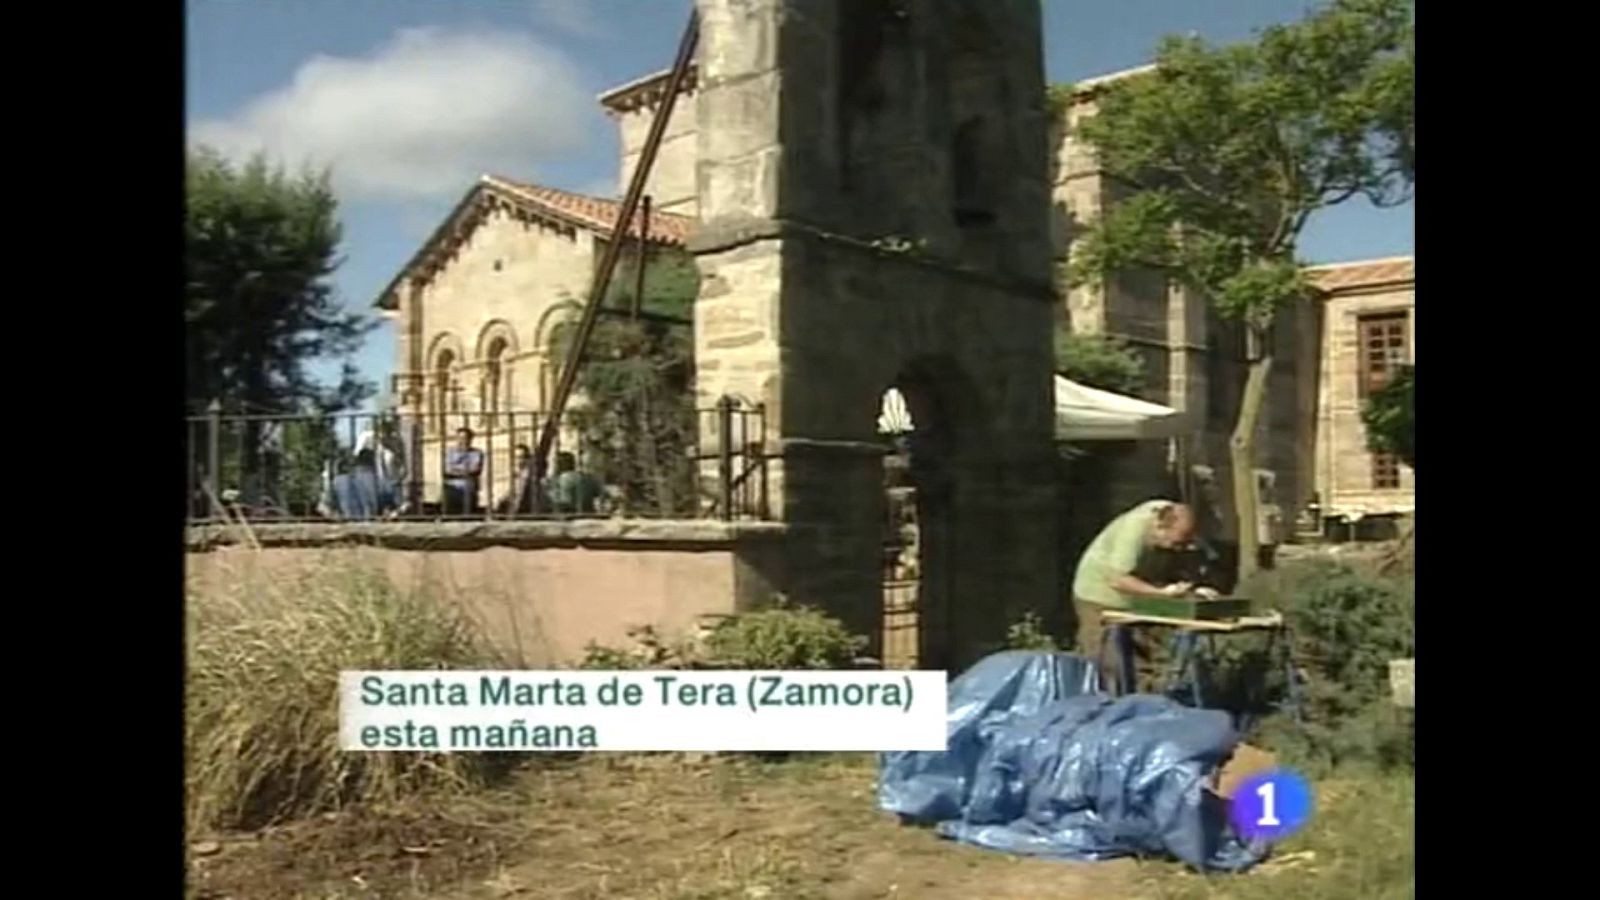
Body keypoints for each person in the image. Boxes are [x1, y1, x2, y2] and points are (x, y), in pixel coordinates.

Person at [1070, 499, 1221, 688]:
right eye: (1176, 543)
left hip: (1136, 600)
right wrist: (1162, 594)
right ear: (1160, 527)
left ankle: (1149, 703)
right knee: (1108, 661)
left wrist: (1195, 589)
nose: (1178, 549)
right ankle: (1107, 707)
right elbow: (1118, 580)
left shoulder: (1171, 520)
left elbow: (1180, 565)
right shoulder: (1133, 531)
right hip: (1099, 596)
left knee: (1144, 658)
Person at [442, 427, 484, 516]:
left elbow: (475, 470)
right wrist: (465, 471)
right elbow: (447, 470)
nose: (462, 441)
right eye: (460, 438)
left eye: (465, 438)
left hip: (469, 488)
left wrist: (456, 470)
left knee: (468, 514)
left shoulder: (477, 453)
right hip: (452, 487)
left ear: (470, 439)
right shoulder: (450, 452)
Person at [546, 451, 600, 515]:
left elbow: (563, 502)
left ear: (560, 464)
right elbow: (599, 494)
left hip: (569, 515)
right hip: (589, 514)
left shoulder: (560, 479)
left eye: (555, 463)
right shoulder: (587, 478)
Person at [496, 444, 542, 516]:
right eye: (515, 457)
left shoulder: (528, 473)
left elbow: (521, 494)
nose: (518, 460)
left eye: (521, 457)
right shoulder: (516, 472)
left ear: (527, 459)